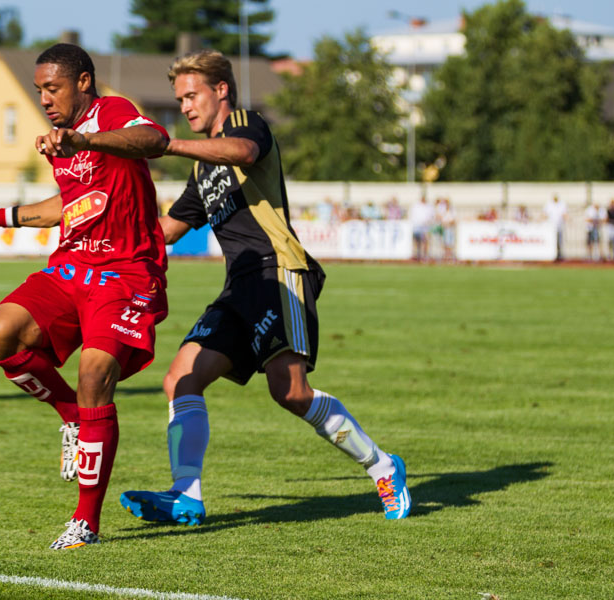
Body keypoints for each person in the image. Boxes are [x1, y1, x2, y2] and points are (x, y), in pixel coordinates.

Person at [119, 49, 410, 528]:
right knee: (181, 379)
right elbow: (165, 230)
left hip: (280, 275)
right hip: (238, 289)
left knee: (291, 393)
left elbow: (243, 153)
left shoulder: (246, 123)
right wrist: (103, 221)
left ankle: (381, 465)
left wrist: (166, 145)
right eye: (180, 99)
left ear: (221, 90)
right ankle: (185, 494)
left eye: (192, 96)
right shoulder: (201, 169)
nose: (186, 106)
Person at [0, 43, 170, 549]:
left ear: (84, 82)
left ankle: (85, 523)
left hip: (125, 273)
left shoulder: (110, 112)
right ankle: (71, 414)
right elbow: (68, 204)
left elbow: (154, 137)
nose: (45, 99)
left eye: (53, 88)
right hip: (73, 267)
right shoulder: (60, 140)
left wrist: (84, 138)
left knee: (95, 373)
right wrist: (1, 215)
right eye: (39, 91)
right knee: (0, 332)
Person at [409, 195, 434, 262]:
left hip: (425, 226)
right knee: (416, 242)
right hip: (417, 226)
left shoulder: (429, 206)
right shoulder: (416, 206)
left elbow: (431, 216)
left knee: (425, 241)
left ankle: (424, 256)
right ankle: (417, 255)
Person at [544, 195, 567, 261]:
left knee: (559, 242)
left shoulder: (562, 204)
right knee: (551, 242)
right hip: (550, 228)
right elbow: (545, 214)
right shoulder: (549, 204)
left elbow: (564, 214)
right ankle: (551, 254)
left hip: (559, 226)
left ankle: (559, 255)